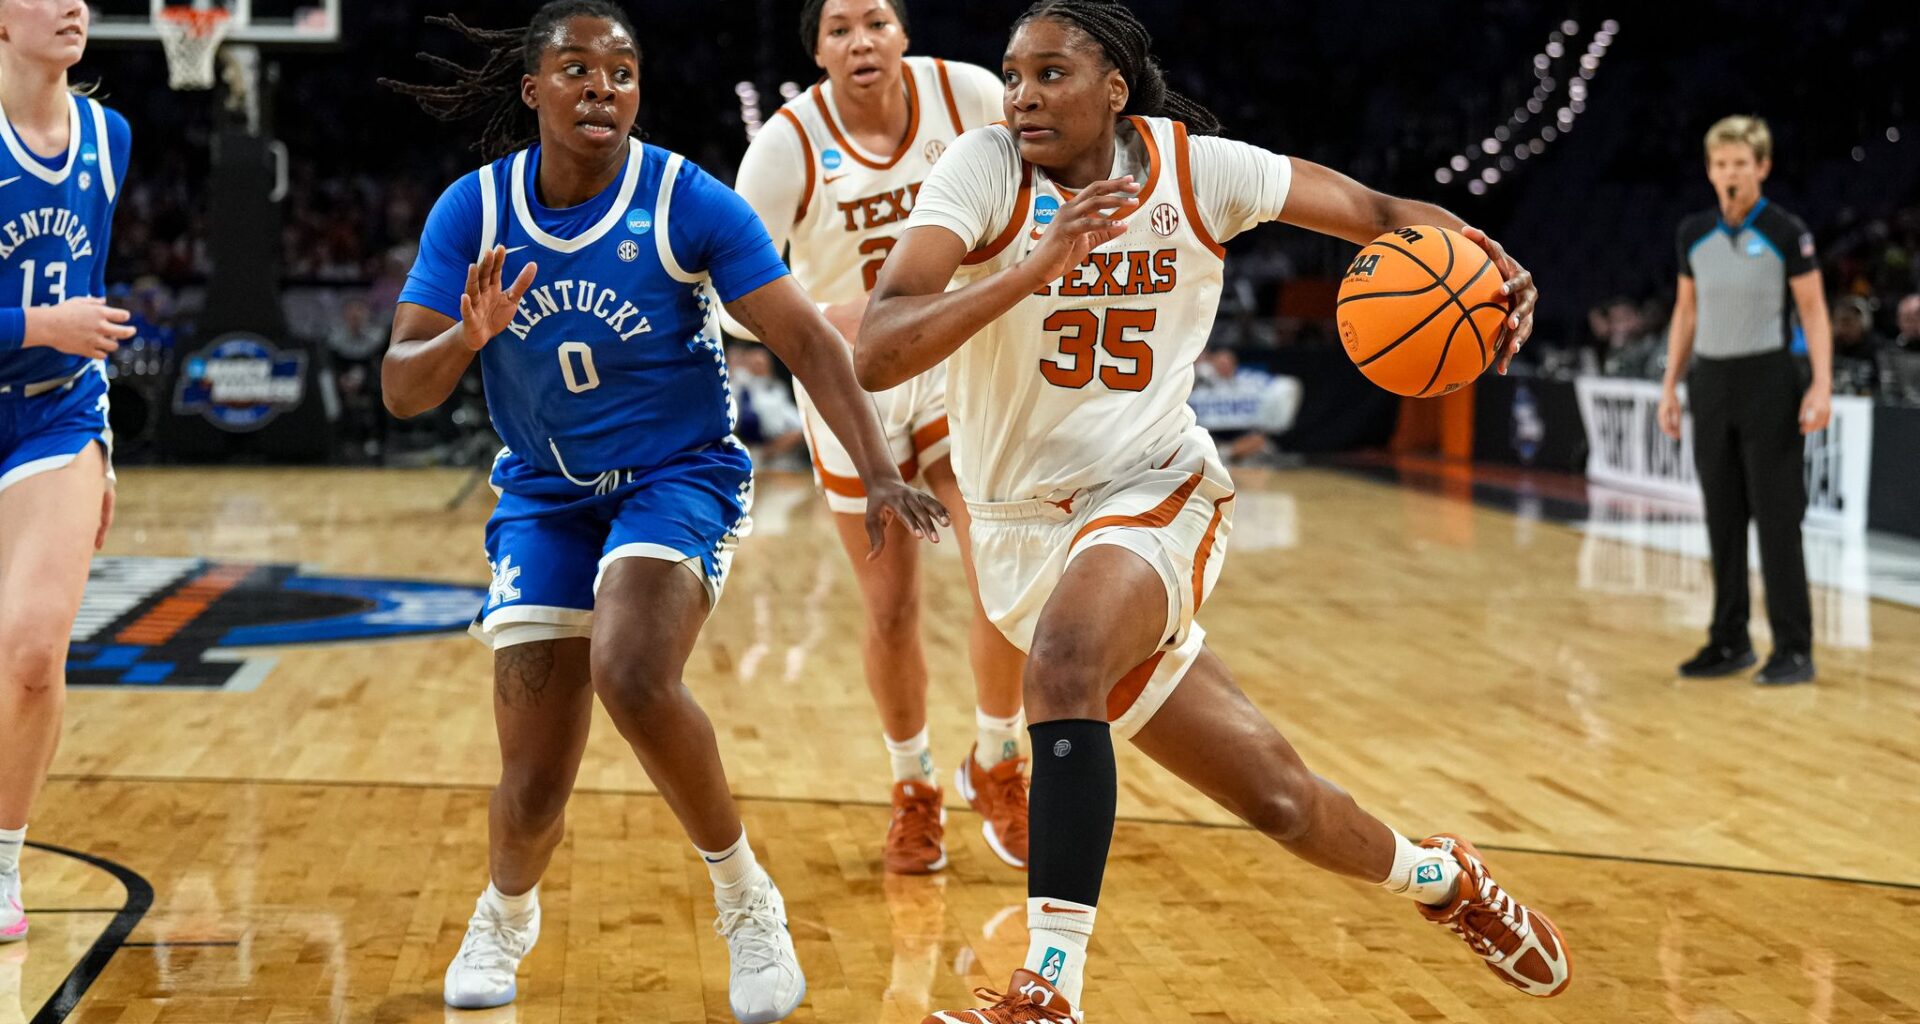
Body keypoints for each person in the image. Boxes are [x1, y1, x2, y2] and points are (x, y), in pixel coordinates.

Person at [858, 2, 1569, 1018]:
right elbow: (879, 346)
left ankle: (1047, 989)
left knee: (1058, 663)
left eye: (1051, 74)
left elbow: (1375, 215)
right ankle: (1443, 878)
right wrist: (1033, 272)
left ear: (1114, 88)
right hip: (1015, 531)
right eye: (1012, 75)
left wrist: (1493, 266)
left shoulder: (1199, 173)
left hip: (1155, 494)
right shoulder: (982, 171)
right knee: (1281, 800)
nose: (1021, 96)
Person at [380, 4, 945, 1019]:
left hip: (675, 477)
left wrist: (879, 469)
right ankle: (506, 911)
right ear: (534, 89)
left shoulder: (688, 200)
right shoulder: (474, 211)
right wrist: (464, 338)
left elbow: (811, 342)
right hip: (545, 497)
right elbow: (400, 388)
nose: (603, 86)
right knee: (535, 782)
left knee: (635, 669)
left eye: (623, 71)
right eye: (578, 69)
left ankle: (746, 901)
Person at [725, 0, 1031, 875]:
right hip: (848, 388)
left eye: (877, 22)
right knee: (890, 606)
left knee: (998, 570)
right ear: (817, 51)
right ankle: (914, 788)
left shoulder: (967, 93)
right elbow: (722, 292)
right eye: (840, 29)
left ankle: (1000, 761)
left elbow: (1038, 184)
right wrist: (823, 320)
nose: (862, 42)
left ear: (904, 33)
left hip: (952, 360)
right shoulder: (785, 144)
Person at [0, 0, 135, 948]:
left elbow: (86, 301)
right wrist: (41, 325)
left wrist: (102, 447)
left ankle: (2, 863)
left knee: (35, 651)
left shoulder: (108, 136)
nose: (72, 5)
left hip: (55, 415)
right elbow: (58, 312)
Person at [1658, 115, 1830, 687]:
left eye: (1740, 163)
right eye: (1721, 164)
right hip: (1711, 382)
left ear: (1762, 168)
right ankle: (1729, 640)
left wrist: (1821, 384)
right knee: (1722, 519)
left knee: (1778, 520)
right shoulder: (1694, 234)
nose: (1730, 173)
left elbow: (1813, 312)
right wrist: (1671, 386)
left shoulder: (1785, 231)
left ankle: (1794, 648)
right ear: (1709, 170)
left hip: (1769, 383)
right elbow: (1686, 313)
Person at [1187, 342, 1301, 464]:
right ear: (1213, 364)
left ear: (1234, 364)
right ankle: (1223, 454)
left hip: (1242, 434)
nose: (1223, 367)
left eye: (1226, 363)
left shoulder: (1248, 382)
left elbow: (1283, 386)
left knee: (1259, 442)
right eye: (1219, 364)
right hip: (1210, 434)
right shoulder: (1200, 381)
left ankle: (1225, 454)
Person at [726, 343, 806, 469]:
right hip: (740, 457)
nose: (760, 370)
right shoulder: (737, 390)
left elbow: (799, 429)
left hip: (776, 461)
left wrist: (768, 451)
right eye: (755, 365)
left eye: (763, 366)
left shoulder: (776, 390)